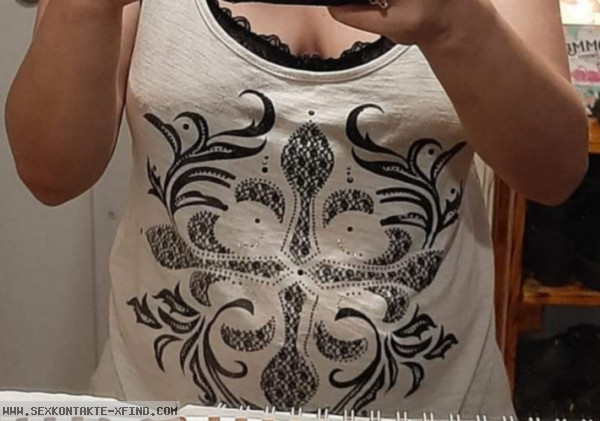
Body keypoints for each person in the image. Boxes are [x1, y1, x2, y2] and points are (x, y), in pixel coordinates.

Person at [4, 0, 588, 417]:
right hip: (163, 402)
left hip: (440, 404)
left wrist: (456, 24)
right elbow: (51, 173)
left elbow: (553, 174)